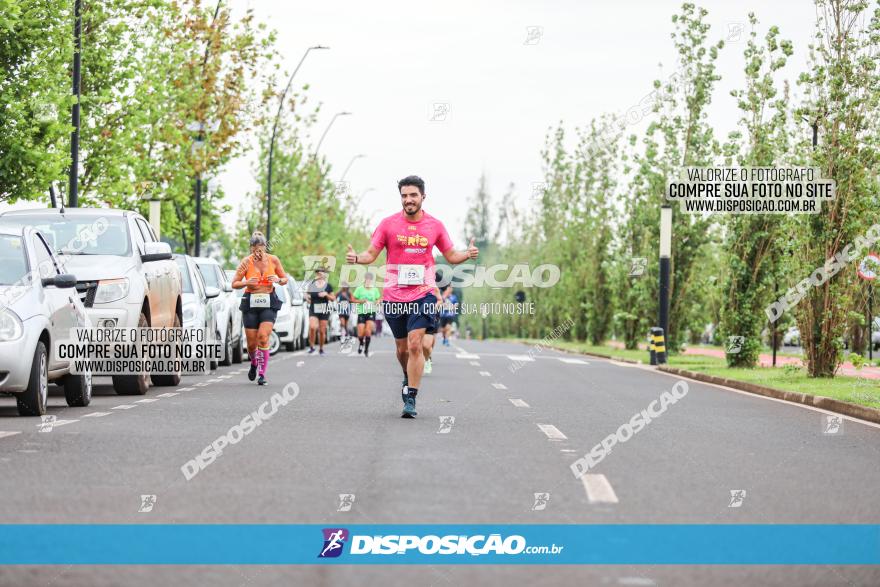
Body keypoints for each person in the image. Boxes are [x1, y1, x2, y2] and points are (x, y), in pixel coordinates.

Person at [347, 175, 478, 418]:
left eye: (413, 195)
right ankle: (408, 375)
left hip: (424, 293)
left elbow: (450, 255)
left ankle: (411, 398)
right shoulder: (388, 224)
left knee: (416, 343)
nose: (408, 200)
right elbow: (371, 254)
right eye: (404, 196)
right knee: (402, 350)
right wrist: (357, 259)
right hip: (394, 296)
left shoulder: (435, 226)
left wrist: (467, 254)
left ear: (422, 197)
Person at [231, 231, 288, 385]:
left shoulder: (273, 260)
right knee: (251, 343)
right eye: (255, 250)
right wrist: (247, 282)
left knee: (263, 337)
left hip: (268, 302)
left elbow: (285, 279)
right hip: (251, 302)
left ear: (265, 248)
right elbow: (234, 283)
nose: (258, 253)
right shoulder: (246, 262)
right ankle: (254, 363)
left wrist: (278, 279)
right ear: (251, 249)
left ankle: (262, 373)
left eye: (261, 250)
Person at [306, 267, 335, 355]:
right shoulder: (312, 284)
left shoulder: (328, 286)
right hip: (313, 308)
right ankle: (311, 346)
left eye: (322, 272)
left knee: (322, 331)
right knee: (312, 327)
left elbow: (333, 298)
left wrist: (326, 294)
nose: (320, 274)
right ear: (317, 274)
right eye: (318, 272)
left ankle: (321, 349)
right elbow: (307, 295)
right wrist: (308, 299)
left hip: (324, 309)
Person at [351, 271, 381, 357]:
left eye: (370, 280)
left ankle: (366, 349)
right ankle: (361, 343)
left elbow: (379, 299)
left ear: (371, 280)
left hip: (371, 312)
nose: (368, 281)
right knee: (360, 333)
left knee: (368, 331)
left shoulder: (375, 289)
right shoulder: (359, 289)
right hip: (361, 312)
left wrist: (377, 301)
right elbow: (353, 299)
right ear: (364, 280)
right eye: (367, 279)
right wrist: (361, 301)